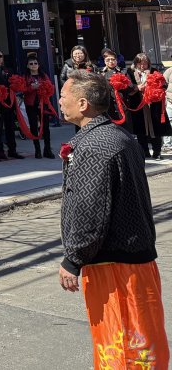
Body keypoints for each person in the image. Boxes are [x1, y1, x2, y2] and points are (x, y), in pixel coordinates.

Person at [57, 69, 167, 368]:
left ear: (83, 104)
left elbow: (90, 210)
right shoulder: (119, 136)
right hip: (136, 257)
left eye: (64, 96)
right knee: (143, 340)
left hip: (114, 264)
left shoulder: (94, 146)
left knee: (122, 345)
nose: (60, 101)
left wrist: (73, 258)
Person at [124, 53, 170, 160]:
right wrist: (136, 87)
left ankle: (157, 151)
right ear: (135, 63)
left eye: (145, 63)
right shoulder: (130, 72)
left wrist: (155, 84)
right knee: (141, 129)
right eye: (140, 63)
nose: (142, 66)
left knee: (156, 128)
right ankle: (144, 152)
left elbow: (164, 84)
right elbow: (127, 87)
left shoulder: (154, 71)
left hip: (153, 105)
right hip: (139, 105)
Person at [19, 54, 55, 159]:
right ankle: (37, 150)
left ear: (38, 65)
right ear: (27, 66)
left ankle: (47, 150)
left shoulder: (43, 75)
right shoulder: (25, 77)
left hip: (43, 103)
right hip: (31, 104)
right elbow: (23, 90)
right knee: (34, 127)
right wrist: (31, 87)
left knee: (46, 128)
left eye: (35, 63)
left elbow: (50, 88)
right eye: (31, 64)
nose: (33, 65)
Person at [0, 49, 21, 159]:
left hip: (9, 104)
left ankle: (12, 150)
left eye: (0, 56)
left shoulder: (8, 70)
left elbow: (13, 85)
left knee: (10, 128)